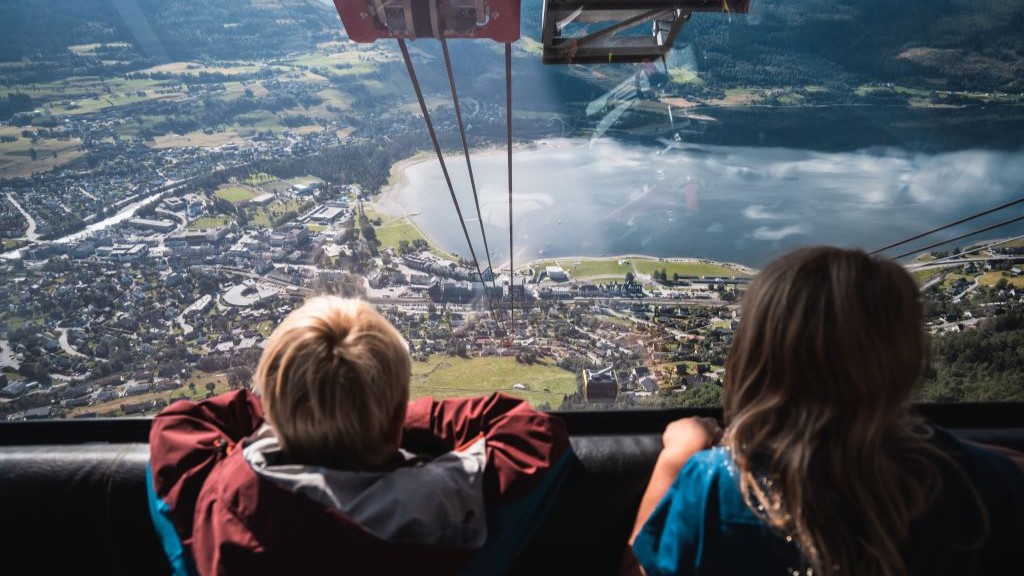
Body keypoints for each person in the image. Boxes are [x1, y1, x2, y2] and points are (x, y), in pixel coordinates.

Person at [626, 246, 1024, 576]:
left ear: (752, 357)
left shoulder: (715, 487)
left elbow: (640, 569)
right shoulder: (983, 487)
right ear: (909, 361)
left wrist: (674, 459)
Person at [147, 296, 572, 576]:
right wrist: (377, 415)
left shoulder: (214, 502)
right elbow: (534, 433)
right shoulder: (454, 515)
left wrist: (302, 407)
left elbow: (177, 423)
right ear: (393, 420)